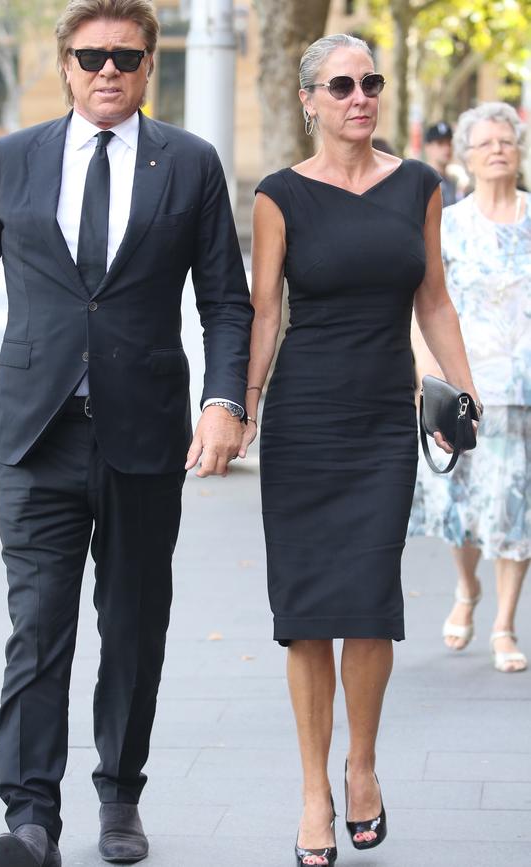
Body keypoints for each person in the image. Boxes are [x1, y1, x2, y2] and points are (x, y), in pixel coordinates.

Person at [0, 2, 252, 865]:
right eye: (91, 55)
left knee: (135, 626)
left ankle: (121, 794)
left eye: (125, 58)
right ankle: (30, 817)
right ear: (65, 63)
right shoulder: (15, 158)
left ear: (148, 67)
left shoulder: (191, 165)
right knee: (37, 628)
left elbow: (224, 300)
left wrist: (225, 401)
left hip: (143, 436)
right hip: (37, 434)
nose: (108, 71)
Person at [238, 34, 480, 867]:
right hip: (305, 419)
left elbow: (436, 299)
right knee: (307, 609)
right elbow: (265, 312)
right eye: (342, 84)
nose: (360, 95)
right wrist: (241, 408)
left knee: (370, 597)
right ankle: (314, 790)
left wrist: (464, 388)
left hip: (384, 416)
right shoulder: (278, 195)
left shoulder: (419, 184)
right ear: (309, 99)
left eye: (370, 81)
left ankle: (362, 765)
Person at [409, 101, 530, 674]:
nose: (498, 149)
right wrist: (425, 380)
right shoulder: (449, 224)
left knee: (513, 509)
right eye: (485, 142)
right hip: (461, 390)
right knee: (456, 507)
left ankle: (504, 626)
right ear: (467, 156)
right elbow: (423, 306)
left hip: (524, 392)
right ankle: (467, 587)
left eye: (507, 140)